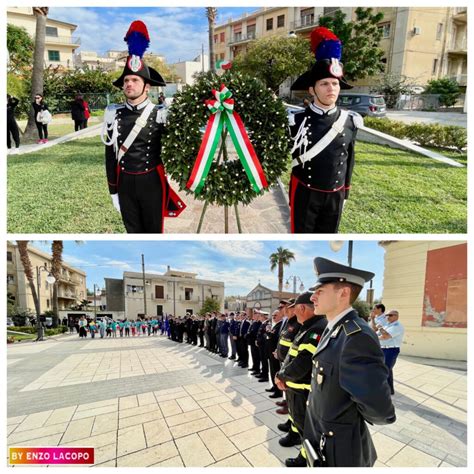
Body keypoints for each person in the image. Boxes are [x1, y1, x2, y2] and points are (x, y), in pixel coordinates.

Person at [303, 257, 396, 467]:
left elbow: (379, 409)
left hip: (341, 447)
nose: (313, 297)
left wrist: (347, 418)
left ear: (343, 293)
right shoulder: (335, 328)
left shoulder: (356, 336)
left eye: (320, 291)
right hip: (324, 436)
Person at [102, 20, 185, 233]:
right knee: (132, 232)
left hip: (152, 181)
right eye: (126, 80)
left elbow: (179, 146)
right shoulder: (113, 113)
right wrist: (113, 191)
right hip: (125, 182)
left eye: (135, 80)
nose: (129, 84)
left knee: (154, 231)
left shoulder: (161, 114)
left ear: (147, 87)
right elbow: (110, 155)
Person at [289, 27, 363, 233]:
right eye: (324, 84)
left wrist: (345, 192)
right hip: (305, 192)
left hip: (335, 194)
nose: (331, 88)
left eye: (334, 83)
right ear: (312, 89)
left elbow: (349, 159)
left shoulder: (350, 121)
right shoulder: (295, 121)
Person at [275, 292, 327, 467]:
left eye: (294, 309)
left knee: (307, 430)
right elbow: (292, 355)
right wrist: (282, 374)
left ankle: (304, 459)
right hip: (294, 387)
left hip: (302, 389)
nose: (293, 313)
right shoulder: (307, 326)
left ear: (302, 308)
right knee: (297, 421)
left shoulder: (316, 329)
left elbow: (302, 364)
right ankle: (301, 449)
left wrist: (282, 375)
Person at [376, 310, 404, 395]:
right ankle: (389, 390)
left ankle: (385, 391)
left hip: (391, 350)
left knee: (385, 370)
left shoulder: (397, 326)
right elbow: (377, 334)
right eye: (387, 315)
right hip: (383, 349)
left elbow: (385, 336)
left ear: (396, 316)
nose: (387, 317)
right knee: (387, 369)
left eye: (390, 315)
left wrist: (380, 328)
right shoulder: (387, 325)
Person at [265, 308, 285, 398]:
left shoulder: (280, 325)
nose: (273, 317)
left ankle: (278, 392)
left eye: (275, 315)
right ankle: (274, 386)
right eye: (272, 315)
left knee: (276, 370)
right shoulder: (275, 325)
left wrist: (268, 331)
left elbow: (273, 337)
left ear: (281, 316)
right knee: (272, 370)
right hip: (270, 351)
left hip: (275, 353)